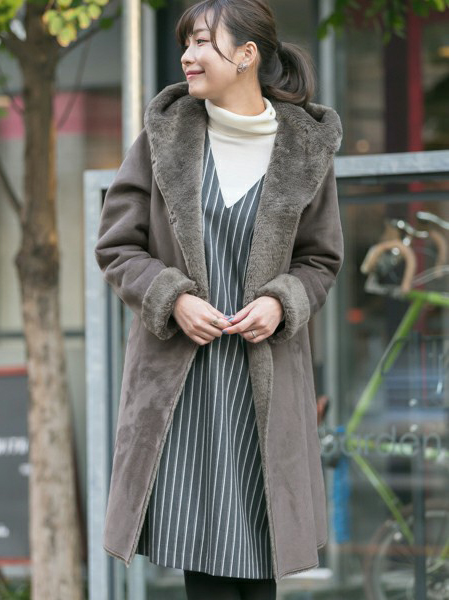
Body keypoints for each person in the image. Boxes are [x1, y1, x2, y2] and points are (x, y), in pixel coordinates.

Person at [95, 0, 344, 597]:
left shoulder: (305, 150)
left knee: (261, 559)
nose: (187, 54)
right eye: (186, 42)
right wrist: (172, 297)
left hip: (265, 385)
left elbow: (320, 261)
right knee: (202, 563)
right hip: (183, 388)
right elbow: (117, 246)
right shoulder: (164, 139)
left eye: (203, 41)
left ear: (246, 54)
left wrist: (281, 301)